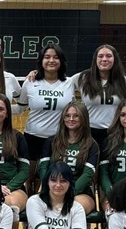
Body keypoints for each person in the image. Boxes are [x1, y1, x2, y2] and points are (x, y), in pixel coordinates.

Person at [18, 44, 74, 193]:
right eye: (47, 57)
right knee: (30, 178)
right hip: (32, 136)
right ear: (41, 60)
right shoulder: (30, 82)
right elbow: (20, 108)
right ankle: (29, 201)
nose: (51, 60)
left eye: (56, 57)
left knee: (52, 176)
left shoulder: (70, 83)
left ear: (61, 61)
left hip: (58, 138)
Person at [37, 101, 99, 214]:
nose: (71, 119)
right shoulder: (51, 141)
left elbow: (87, 174)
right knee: (35, 205)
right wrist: (50, 188)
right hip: (53, 189)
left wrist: (69, 193)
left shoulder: (92, 145)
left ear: (83, 118)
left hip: (80, 193)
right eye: (67, 115)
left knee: (72, 208)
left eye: (76, 116)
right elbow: (43, 169)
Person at [73, 45, 126, 149]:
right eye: (100, 56)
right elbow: (61, 84)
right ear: (95, 59)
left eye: (109, 56)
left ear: (115, 59)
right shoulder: (82, 78)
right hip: (88, 132)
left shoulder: (124, 82)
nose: (104, 59)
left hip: (115, 133)